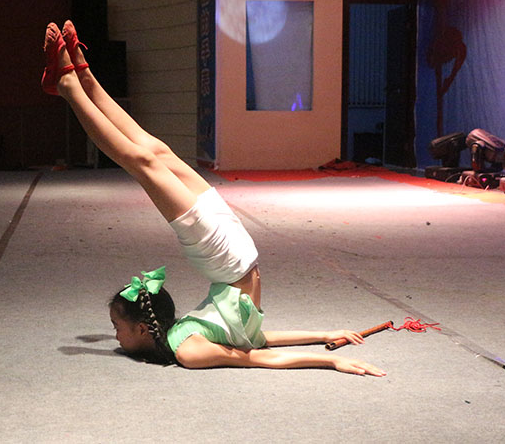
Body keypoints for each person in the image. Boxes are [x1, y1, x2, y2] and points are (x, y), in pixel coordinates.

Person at [42, 21, 385, 375]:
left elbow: (256, 348)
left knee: (146, 160)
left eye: (116, 328)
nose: (115, 336)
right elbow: (258, 349)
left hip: (224, 257)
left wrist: (326, 348)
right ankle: (78, 81)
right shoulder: (191, 350)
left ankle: (78, 84)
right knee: (154, 155)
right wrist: (327, 347)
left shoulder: (189, 346)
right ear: (143, 330)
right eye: (116, 328)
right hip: (230, 252)